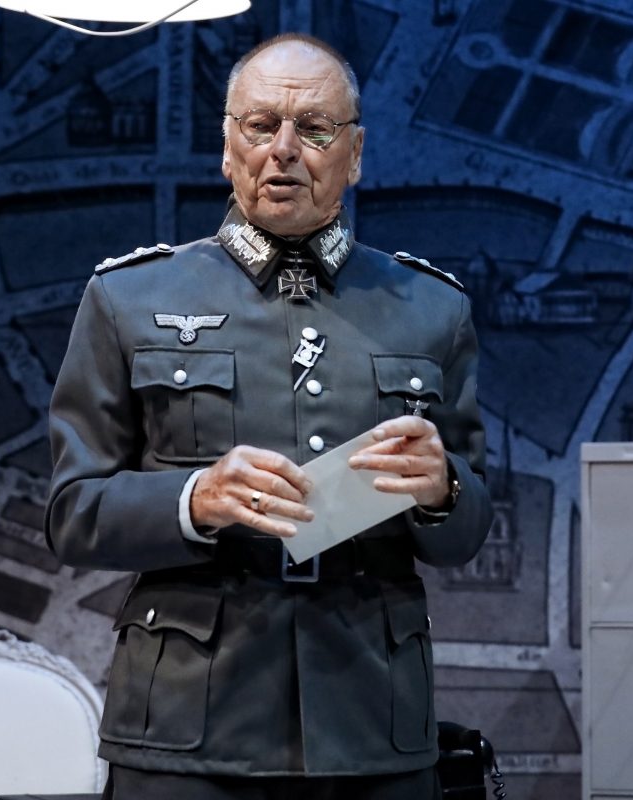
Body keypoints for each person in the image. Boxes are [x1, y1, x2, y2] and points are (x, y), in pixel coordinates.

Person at [46, 33, 492, 800]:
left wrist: (443, 491)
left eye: (315, 130)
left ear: (354, 156)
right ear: (228, 147)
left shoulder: (433, 309)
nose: (284, 150)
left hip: (372, 722)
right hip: (185, 726)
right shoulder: (128, 298)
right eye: (260, 126)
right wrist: (195, 500)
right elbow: (71, 514)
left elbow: (469, 532)